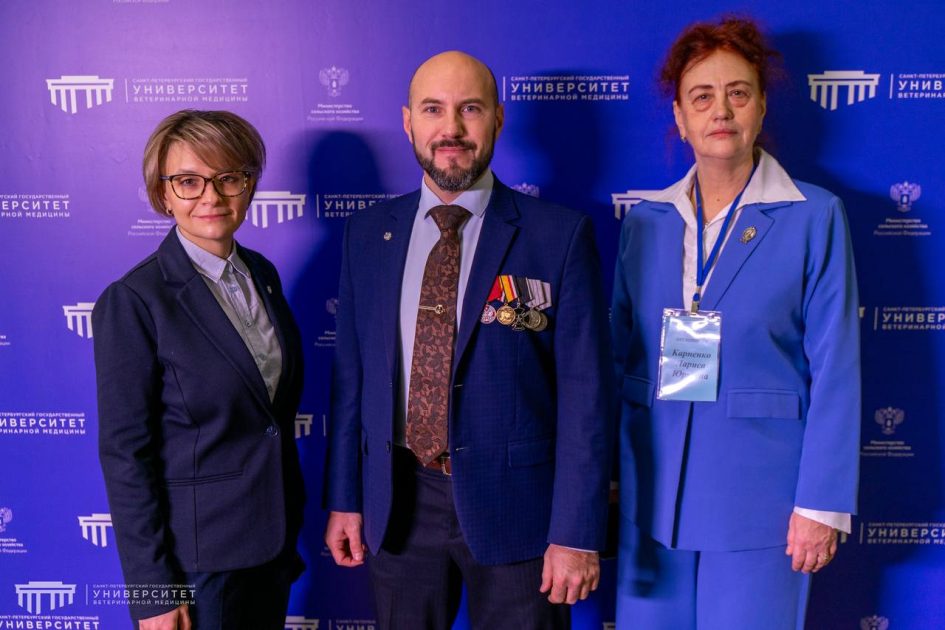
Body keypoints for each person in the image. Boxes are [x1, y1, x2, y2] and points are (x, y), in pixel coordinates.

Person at [323, 50, 614, 629]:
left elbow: (587, 397)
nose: (451, 128)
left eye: (470, 109)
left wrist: (576, 532)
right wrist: (346, 498)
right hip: (398, 504)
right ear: (408, 121)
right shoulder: (367, 234)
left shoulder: (558, 235)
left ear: (498, 119)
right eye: (433, 109)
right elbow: (351, 381)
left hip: (520, 512)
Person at [611, 17, 861, 629]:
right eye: (702, 97)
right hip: (651, 498)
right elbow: (619, 357)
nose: (721, 110)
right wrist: (608, 478)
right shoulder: (645, 221)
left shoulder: (815, 216)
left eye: (738, 93)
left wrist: (822, 504)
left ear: (762, 105)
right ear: (680, 117)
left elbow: (837, 364)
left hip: (763, 504)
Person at [93, 110, 305, 630]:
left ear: (249, 185)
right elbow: (125, 455)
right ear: (163, 194)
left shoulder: (262, 274)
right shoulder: (134, 300)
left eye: (228, 177)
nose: (211, 196)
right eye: (188, 181)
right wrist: (152, 592)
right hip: (196, 567)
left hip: (271, 548)